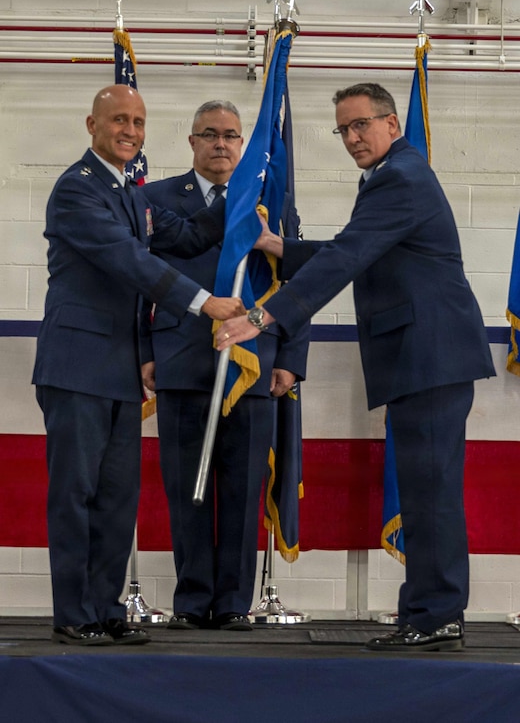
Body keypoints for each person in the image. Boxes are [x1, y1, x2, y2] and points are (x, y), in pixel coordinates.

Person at [216, 82, 496, 651]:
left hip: (429, 355)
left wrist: (264, 317)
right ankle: (427, 610)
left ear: (392, 124)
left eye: (361, 124)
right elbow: (357, 249)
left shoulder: (400, 178)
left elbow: (349, 256)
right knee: (424, 488)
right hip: (424, 356)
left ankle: (437, 615)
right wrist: (280, 248)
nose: (351, 138)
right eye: (343, 129)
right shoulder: (393, 176)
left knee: (430, 490)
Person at [32, 84, 245, 647]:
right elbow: (130, 262)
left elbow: (190, 234)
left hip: (120, 372)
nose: (130, 131)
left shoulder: (131, 193)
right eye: (119, 120)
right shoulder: (76, 190)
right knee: (75, 495)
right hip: (76, 366)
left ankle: (105, 610)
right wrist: (204, 302)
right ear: (92, 125)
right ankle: (74, 613)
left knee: (117, 498)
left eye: (139, 122)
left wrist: (242, 194)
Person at [140, 100, 309, 631]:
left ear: (243, 144)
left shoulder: (270, 203)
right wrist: (144, 352)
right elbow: (136, 281)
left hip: (255, 365)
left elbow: (299, 283)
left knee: (243, 488)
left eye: (231, 135)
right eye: (209, 134)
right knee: (185, 489)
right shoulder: (154, 198)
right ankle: (192, 601)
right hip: (181, 359)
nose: (220, 143)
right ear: (192, 141)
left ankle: (234, 601)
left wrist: (291, 359)